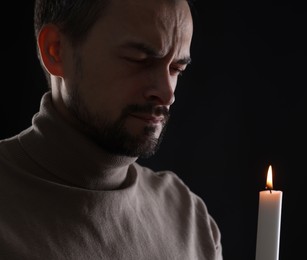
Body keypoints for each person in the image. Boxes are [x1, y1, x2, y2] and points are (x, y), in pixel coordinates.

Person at [0, 0, 223, 259]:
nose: (166, 93)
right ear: (56, 51)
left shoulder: (190, 221)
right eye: (139, 60)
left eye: (176, 69)